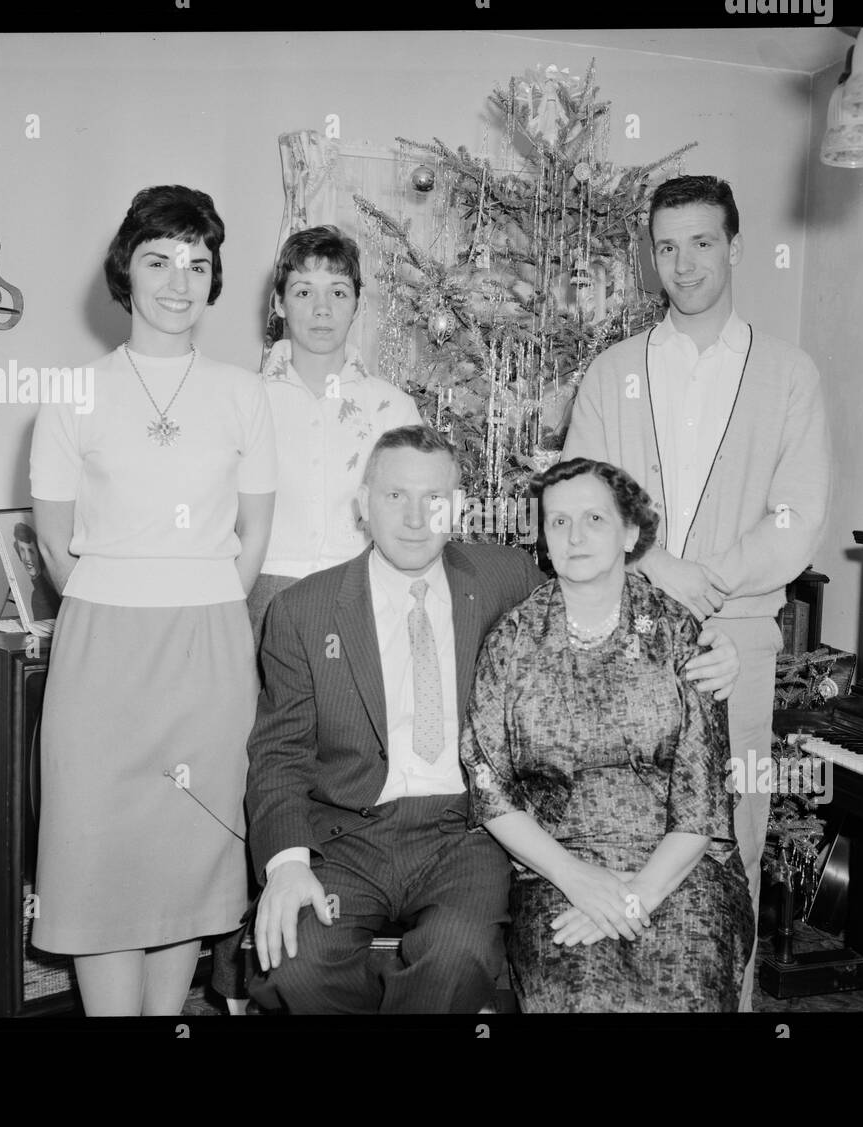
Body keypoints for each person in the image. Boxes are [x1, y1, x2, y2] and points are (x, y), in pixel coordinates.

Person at [244, 425, 742, 1014]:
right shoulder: (303, 610)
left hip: (463, 831)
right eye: (394, 496)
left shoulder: (501, 578)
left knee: (457, 958)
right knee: (298, 965)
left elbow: (593, 584)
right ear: (362, 504)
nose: (414, 518)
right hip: (347, 835)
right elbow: (279, 756)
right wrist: (287, 865)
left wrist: (711, 645)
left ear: (457, 508)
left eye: (434, 499)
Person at [562, 175, 831, 1010]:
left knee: (729, 850)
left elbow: (795, 522)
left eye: (702, 242)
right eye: (667, 246)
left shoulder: (788, 375)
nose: (683, 263)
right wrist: (652, 569)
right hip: (621, 637)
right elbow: (583, 505)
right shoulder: (612, 374)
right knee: (622, 842)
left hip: (738, 641)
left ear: (735, 246)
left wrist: (695, 577)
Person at [29, 185, 277, 1016]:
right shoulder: (72, 394)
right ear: (125, 271)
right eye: (159, 259)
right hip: (102, 651)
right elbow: (62, 550)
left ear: (214, 282)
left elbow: (251, 541)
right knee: (101, 854)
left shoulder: (245, 395)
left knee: (187, 853)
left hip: (207, 651)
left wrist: (195, 605)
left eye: (198, 264)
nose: (179, 280)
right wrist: (126, 598)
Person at [211, 224, 421, 1012]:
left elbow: (411, 516)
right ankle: (246, 960)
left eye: (338, 292)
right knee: (262, 765)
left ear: (358, 303)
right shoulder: (245, 397)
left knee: (343, 764)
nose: (322, 308)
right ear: (279, 302)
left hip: (361, 601)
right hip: (265, 597)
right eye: (304, 290)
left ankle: (333, 932)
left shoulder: (390, 403)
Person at [460, 458, 753, 1012]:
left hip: (680, 869)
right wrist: (580, 881)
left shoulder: (678, 634)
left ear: (631, 532)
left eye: (595, 518)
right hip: (556, 871)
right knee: (581, 996)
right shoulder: (512, 642)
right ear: (543, 538)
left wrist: (634, 899)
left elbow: (704, 805)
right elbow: (490, 788)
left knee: (687, 990)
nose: (575, 536)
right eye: (558, 522)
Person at [12, 521, 59, 624]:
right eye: (22, 551)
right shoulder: (38, 592)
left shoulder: (42, 595)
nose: (28, 558)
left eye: (31, 551)